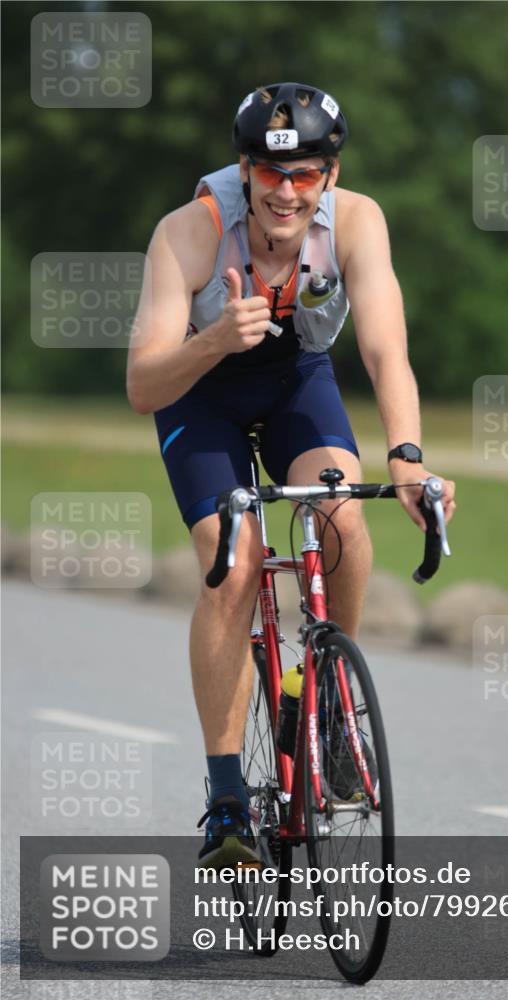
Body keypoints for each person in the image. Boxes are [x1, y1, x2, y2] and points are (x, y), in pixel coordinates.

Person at [126, 82, 456, 868]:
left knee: (341, 515)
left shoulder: (358, 223)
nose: (285, 191)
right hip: (196, 391)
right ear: (244, 171)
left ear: (330, 178)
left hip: (295, 381)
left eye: (305, 173)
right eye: (269, 173)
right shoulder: (190, 233)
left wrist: (407, 457)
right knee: (235, 563)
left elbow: (384, 350)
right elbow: (143, 386)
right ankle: (227, 801)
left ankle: (326, 704)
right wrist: (212, 341)